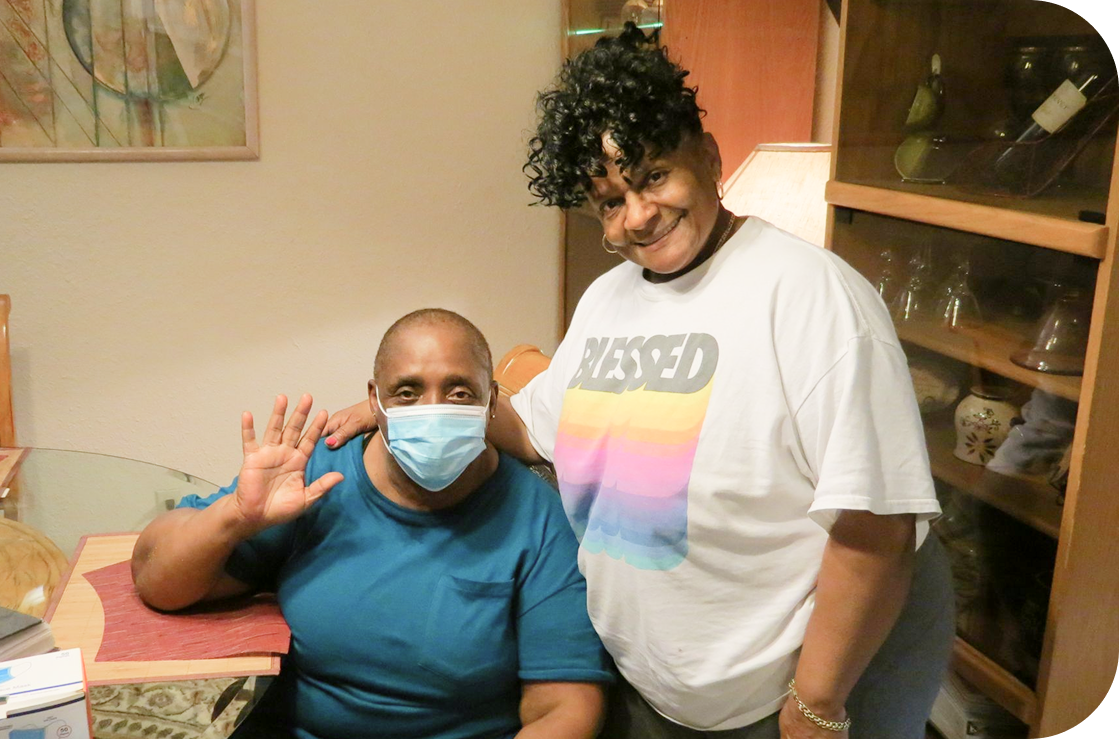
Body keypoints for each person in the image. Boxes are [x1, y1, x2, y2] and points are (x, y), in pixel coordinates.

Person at [323, 26, 954, 739]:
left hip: (800, 684)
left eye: (653, 176)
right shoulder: (610, 298)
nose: (639, 215)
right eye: (609, 201)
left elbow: (875, 525)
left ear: (709, 159)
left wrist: (817, 703)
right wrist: (408, 411)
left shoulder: (813, 297)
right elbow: (534, 424)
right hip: (663, 687)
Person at [132, 309, 614, 739]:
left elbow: (564, 707)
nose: (432, 409)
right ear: (374, 400)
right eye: (407, 392)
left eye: (458, 391)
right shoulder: (317, 476)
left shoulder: (536, 518)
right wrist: (234, 518)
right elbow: (158, 582)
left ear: (491, 402)